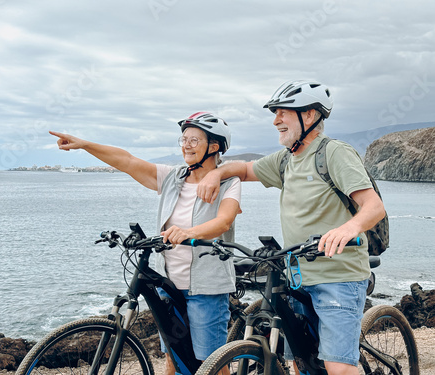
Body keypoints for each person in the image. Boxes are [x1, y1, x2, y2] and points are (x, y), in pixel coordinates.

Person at [197, 80, 385, 375]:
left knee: (338, 368)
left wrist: (347, 229)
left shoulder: (334, 153)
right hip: (298, 278)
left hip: (338, 278)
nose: (275, 121)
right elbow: (246, 169)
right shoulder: (286, 160)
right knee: (302, 363)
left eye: (283, 113)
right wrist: (216, 173)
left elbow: (373, 207)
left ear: (309, 116)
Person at [50, 112, 240, 375]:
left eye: (194, 140)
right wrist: (84, 144)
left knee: (213, 365)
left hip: (207, 288)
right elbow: (127, 161)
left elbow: (224, 222)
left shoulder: (229, 183)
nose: (185, 145)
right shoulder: (173, 178)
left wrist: (188, 232)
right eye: (183, 139)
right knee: (173, 357)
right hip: (170, 284)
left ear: (214, 146)